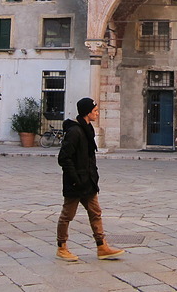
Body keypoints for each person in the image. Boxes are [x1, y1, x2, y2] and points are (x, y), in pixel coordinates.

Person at [56, 98, 125, 262]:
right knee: (67, 215)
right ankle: (62, 247)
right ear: (87, 112)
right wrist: (75, 179)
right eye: (95, 111)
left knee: (96, 213)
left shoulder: (87, 129)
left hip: (88, 182)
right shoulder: (74, 132)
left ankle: (102, 246)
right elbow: (64, 158)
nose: (97, 113)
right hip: (76, 182)